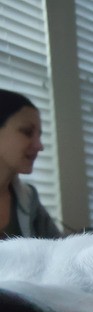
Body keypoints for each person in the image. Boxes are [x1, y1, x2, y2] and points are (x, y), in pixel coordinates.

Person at [0, 89, 61, 238]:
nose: (40, 146)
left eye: (39, 136)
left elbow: (57, 251)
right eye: (27, 132)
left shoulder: (28, 199)